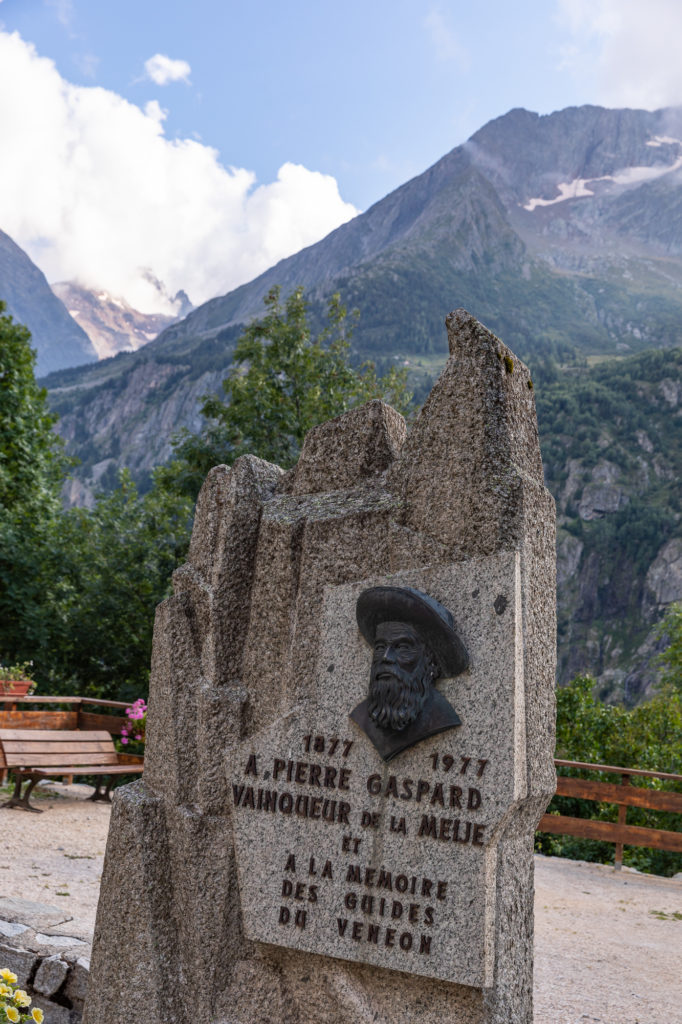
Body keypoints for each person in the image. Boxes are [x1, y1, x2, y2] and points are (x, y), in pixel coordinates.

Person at [350, 585, 468, 762]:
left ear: (431, 663)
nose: (386, 658)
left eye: (403, 647)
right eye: (381, 647)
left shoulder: (441, 718)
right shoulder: (361, 714)